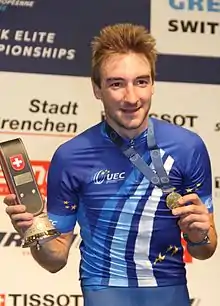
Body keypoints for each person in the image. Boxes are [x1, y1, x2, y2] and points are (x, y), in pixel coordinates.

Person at [4, 23, 217, 306]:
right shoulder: (70, 157)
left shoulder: (188, 147)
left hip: (171, 292)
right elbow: (54, 260)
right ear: (96, 89)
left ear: (153, 84)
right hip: (104, 293)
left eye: (141, 82)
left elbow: (205, 250)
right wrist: (32, 228)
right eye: (117, 84)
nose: (131, 98)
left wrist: (200, 234)